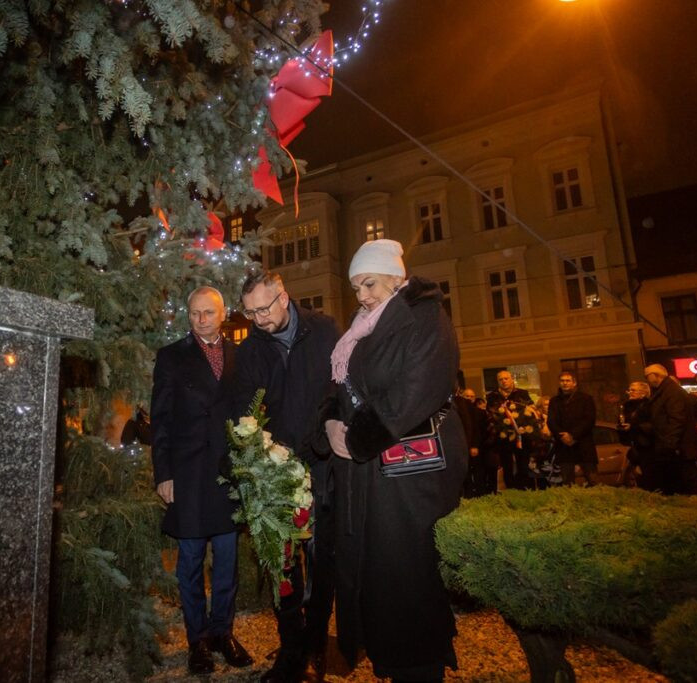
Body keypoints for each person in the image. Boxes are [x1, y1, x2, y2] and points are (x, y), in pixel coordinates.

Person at [324, 239, 468, 682]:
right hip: (370, 470)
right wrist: (330, 421)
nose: (362, 295)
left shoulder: (424, 317)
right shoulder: (361, 327)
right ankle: (386, 655)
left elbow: (417, 390)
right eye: (356, 288)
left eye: (368, 284)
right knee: (377, 568)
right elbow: (340, 387)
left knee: (407, 569)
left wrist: (360, 439)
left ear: (394, 276)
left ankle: (418, 667)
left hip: (411, 472)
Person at [235, 270, 339, 683]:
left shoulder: (325, 330)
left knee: (321, 560)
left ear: (284, 296)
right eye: (249, 312)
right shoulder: (251, 351)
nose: (258, 319)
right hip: (275, 473)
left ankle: (316, 643)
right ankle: (291, 647)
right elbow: (246, 410)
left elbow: (341, 388)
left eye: (264, 308)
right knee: (281, 565)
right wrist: (256, 456)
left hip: (323, 464)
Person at [150, 287, 253, 675]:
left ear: (223, 314)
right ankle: (197, 642)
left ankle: (222, 633)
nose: (202, 319)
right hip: (189, 475)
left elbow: (249, 411)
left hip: (227, 476)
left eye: (208, 312)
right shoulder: (172, 357)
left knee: (227, 563)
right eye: (195, 313)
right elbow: (160, 420)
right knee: (190, 563)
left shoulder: (238, 356)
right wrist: (164, 474)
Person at [634, 364, 697, 495]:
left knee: (688, 480)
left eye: (647, 376)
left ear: (656, 375)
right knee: (682, 480)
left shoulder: (671, 393)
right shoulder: (665, 391)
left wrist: (670, 444)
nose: (646, 379)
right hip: (674, 445)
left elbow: (676, 420)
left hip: (679, 447)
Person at [486, 370, 534, 490]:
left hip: (521, 437)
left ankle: (523, 489)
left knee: (523, 465)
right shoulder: (492, 396)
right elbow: (490, 415)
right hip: (503, 437)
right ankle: (511, 491)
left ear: (512, 379)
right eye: (501, 379)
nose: (504, 381)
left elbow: (531, 411)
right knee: (507, 467)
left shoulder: (522, 393)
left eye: (506, 378)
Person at [547, 372, 598, 486]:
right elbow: (551, 421)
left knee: (592, 479)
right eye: (562, 381)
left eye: (568, 380)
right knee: (567, 482)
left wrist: (573, 435)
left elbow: (589, 420)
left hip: (583, 444)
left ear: (574, 383)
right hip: (564, 446)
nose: (565, 383)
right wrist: (562, 435)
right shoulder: (554, 401)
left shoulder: (586, 399)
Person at [456, 386, 490, 497]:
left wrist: (475, 445)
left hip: (477, 446)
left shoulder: (479, 412)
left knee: (478, 472)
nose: (469, 398)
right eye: (467, 396)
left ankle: (480, 494)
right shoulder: (458, 410)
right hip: (463, 446)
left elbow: (478, 430)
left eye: (472, 396)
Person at [618, 381, 652, 486]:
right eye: (629, 390)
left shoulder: (648, 406)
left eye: (633, 390)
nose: (630, 393)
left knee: (647, 474)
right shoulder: (627, 406)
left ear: (643, 393)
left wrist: (633, 427)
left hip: (646, 446)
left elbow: (651, 425)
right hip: (633, 446)